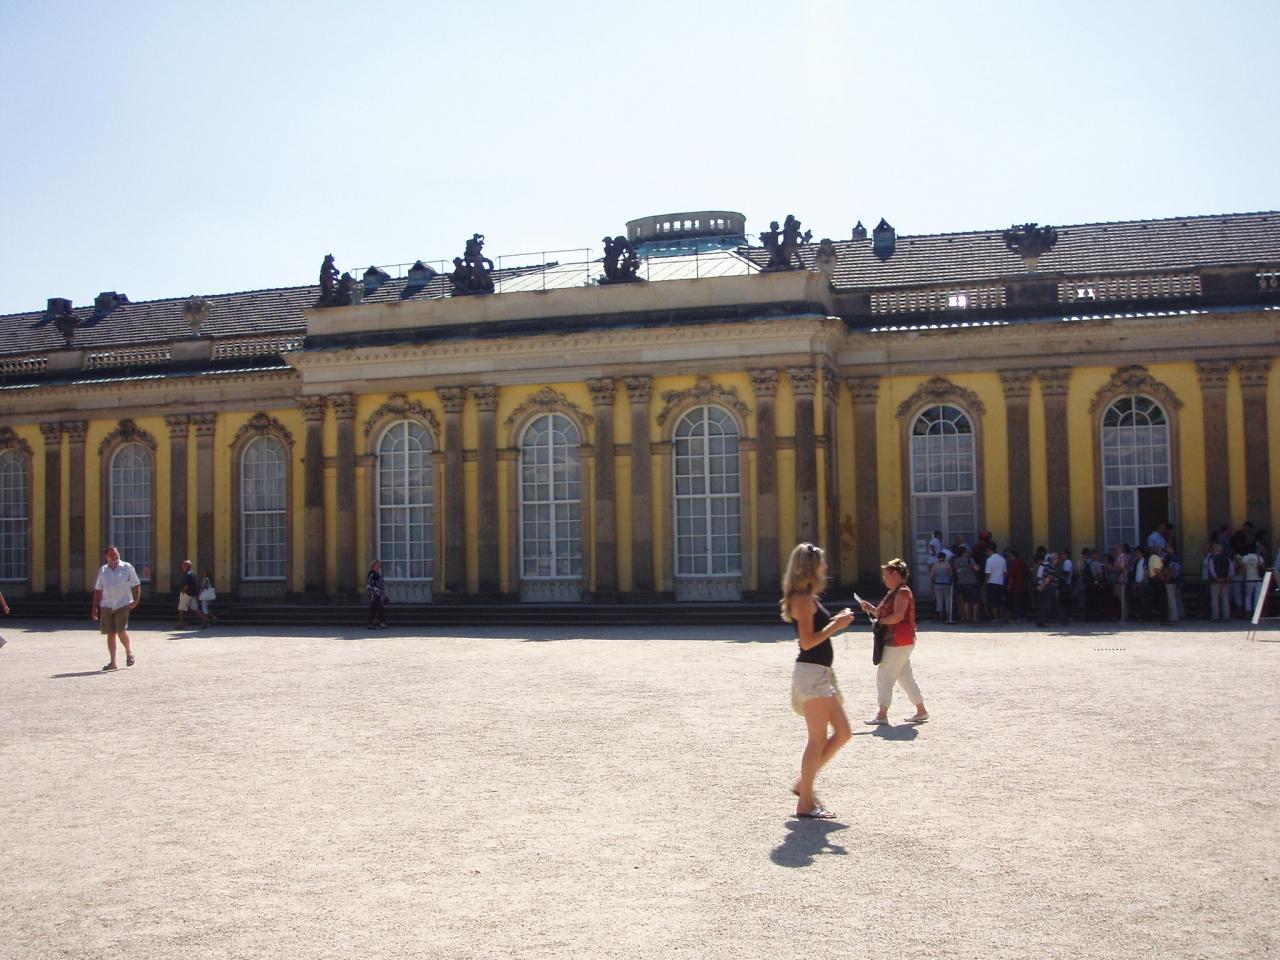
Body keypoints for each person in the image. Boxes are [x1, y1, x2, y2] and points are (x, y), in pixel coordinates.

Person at [780, 543, 854, 820]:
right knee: (817, 739)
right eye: (822, 562)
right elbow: (808, 641)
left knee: (843, 732)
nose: (826, 567)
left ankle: (804, 784)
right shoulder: (802, 599)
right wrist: (836, 625)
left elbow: (815, 633)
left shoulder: (807, 598)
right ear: (810, 567)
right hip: (812, 674)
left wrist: (834, 621)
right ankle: (805, 802)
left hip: (818, 673)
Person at [859, 558, 927, 725]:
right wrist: (871, 609)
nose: (884, 579)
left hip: (898, 640)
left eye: (886, 575)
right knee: (905, 677)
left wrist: (879, 622)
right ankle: (921, 710)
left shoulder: (901, 592)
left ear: (895, 574)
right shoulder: (895, 592)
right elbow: (885, 614)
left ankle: (882, 714)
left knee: (884, 676)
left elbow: (897, 617)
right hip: (902, 640)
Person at [91, 545, 141, 671]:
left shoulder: (127, 567)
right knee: (110, 634)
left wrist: (136, 600)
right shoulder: (103, 570)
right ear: (106, 557)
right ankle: (113, 662)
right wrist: (94, 608)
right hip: (106, 604)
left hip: (123, 603)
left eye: (116, 553)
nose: (115, 556)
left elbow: (136, 584)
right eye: (112, 554)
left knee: (120, 630)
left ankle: (129, 652)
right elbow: (98, 590)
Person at [952, 545, 980, 624]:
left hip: (961, 583)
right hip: (972, 582)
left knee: (966, 601)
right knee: (975, 601)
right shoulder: (970, 560)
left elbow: (956, 571)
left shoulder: (956, 561)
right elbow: (977, 568)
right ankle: (975, 618)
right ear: (965, 552)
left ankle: (967, 618)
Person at [984, 544, 1008, 623]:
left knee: (993, 602)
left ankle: (996, 618)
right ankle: (1002, 617)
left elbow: (988, 573)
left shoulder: (989, 560)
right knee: (1000, 601)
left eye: (987, 550)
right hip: (1000, 582)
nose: (986, 552)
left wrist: (985, 583)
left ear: (990, 550)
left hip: (991, 582)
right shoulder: (1002, 559)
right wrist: (1003, 580)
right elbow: (1005, 573)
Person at [1208, 543, 1232, 622]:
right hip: (1225, 581)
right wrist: (1226, 578)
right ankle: (1226, 616)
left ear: (1214, 550)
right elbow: (1231, 570)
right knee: (1225, 599)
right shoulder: (1227, 558)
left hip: (1216, 582)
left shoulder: (1212, 558)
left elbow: (1212, 570)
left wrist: (1217, 578)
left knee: (1215, 600)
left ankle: (1215, 617)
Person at [930, 545, 953, 623]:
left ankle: (940, 616)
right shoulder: (947, 564)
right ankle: (948, 616)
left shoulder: (935, 565)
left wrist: (934, 581)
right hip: (947, 583)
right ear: (945, 557)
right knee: (947, 599)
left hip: (937, 584)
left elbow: (932, 575)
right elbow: (951, 574)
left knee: (939, 600)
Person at [177, 559, 198, 627]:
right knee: (195, 608)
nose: (182, 567)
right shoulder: (193, 573)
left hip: (186, 594)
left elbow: (186, 585)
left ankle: (181, 624)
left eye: (183, 565)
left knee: (181, 609)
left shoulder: (188, 574)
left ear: (187, 566)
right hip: (193, 594)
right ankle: (204, 620)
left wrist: (183, 592)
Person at [366, 559, 387, 629]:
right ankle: (381, 623)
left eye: (379, 564)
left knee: (373, 608)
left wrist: (383, 594)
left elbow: (380, 584)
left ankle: (370, 623)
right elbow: (369, 583)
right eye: (378, 564)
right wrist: (372, 594)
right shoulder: (372, 573)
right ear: (374, 565)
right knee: (380, 608)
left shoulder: (377, 573)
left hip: (378, 593)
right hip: (374, 593)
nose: (379, 565)